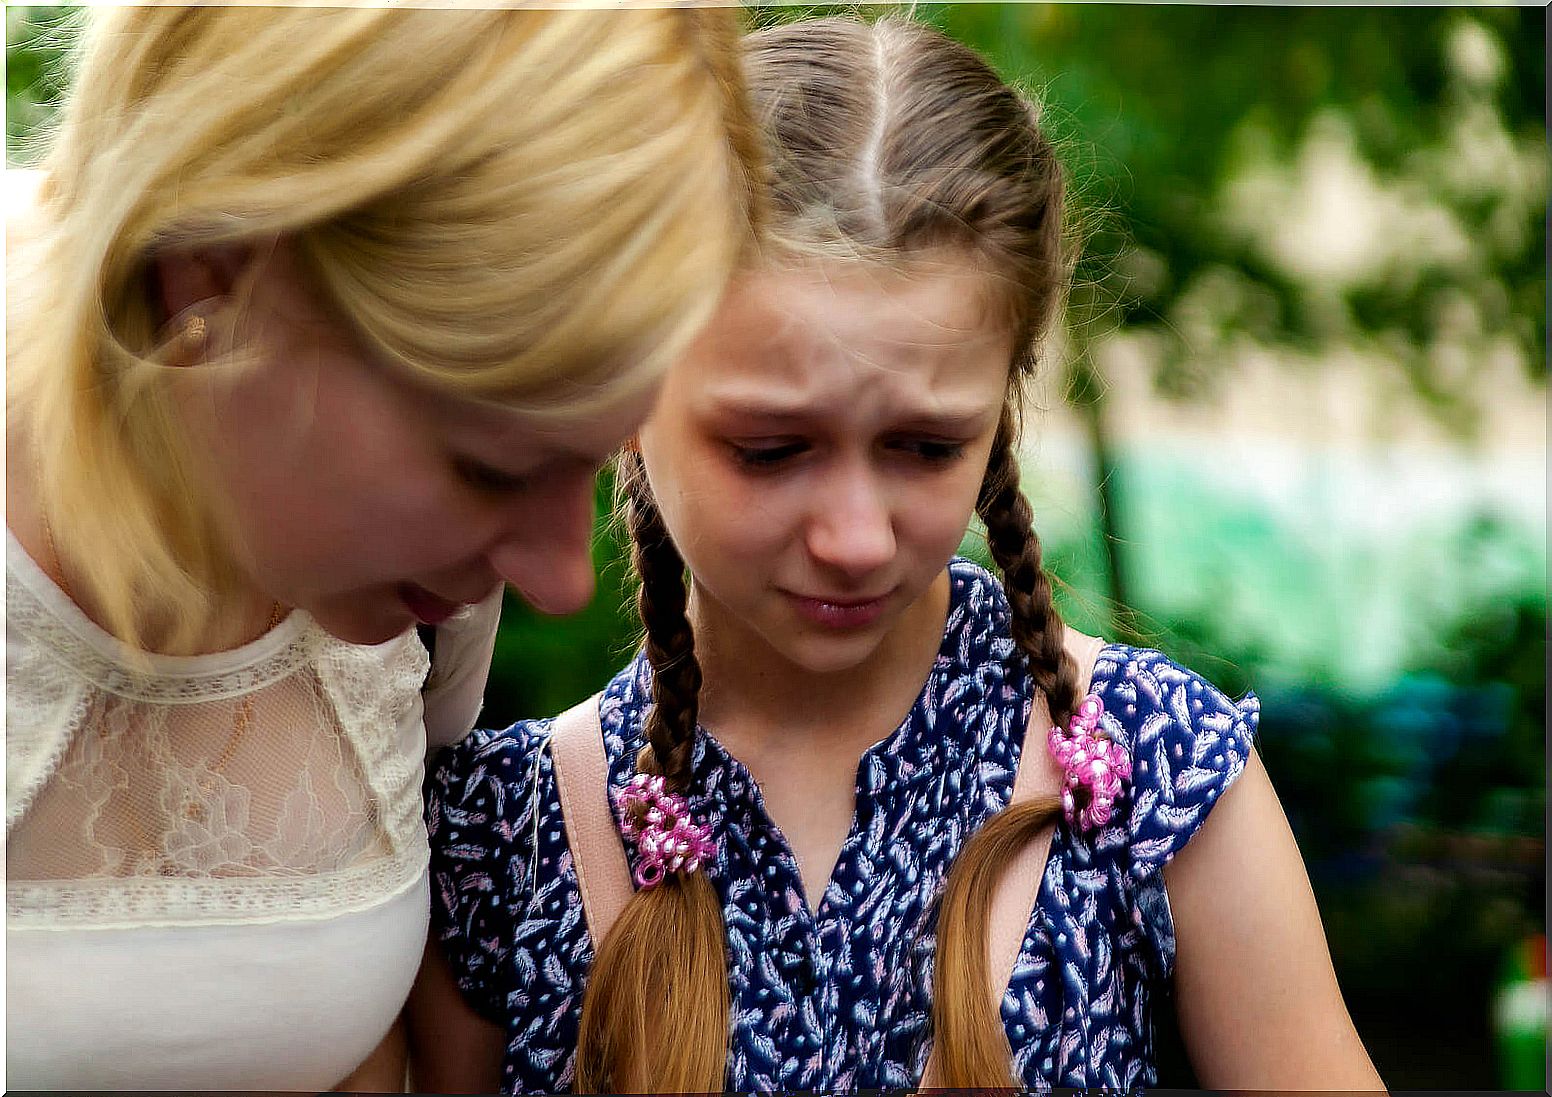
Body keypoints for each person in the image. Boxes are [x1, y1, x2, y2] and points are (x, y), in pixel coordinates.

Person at [412, 16, 1385, 1094]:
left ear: (1001, 402)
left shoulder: (1154, 769)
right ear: (626, 397)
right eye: (772, 449)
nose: (856, 538)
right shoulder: (505, 839)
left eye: (924, 447)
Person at [4, 6, 759, 1091]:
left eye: (588, 462)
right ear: (207, 274)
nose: (559, 578)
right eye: (491, 467)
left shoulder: (416, 578)